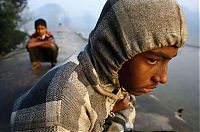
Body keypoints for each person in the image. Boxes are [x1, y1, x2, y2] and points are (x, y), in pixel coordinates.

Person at [10, 0, 187, 131]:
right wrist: (110, 115)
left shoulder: (112, 72)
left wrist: (110, 111)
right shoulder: (62, 112)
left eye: (167, 61)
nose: (163, 78)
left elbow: (127, 105)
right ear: (115, 47)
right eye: (152, 60)